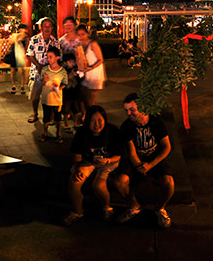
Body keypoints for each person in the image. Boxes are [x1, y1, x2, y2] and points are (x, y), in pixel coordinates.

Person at [112, 93, 174, 228]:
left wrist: (151, 165)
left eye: (132, 110)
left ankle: (160, 209)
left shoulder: (156, 121)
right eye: (126, 110)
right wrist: (140, 168)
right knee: (119, 182)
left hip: (154, 159)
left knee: (169, 183)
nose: (128, 113)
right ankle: (134, 207)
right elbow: (131, 152)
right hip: (137, 161)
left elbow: (167, 146)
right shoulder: (127, 126)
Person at [64, 106, 122, 225]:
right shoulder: (81, 132)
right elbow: (77, 154)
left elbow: (118, 155)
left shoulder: (113, 130)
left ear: (105, 120)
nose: (97, 124)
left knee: (98, 185)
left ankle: (107, 208)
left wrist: (107, 161)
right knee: (75, 181)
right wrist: (77, 169)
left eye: (100, 120)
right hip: (88, 161)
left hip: (109, 161)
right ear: (87, 121)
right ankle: (77, 211)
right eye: (92, 121)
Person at [26, 18, 61, 124]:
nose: (47, 28)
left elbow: (59, 56)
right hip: (36, 72)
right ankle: (34, 113)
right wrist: (39, 66)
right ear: (41, 27)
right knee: (34, 94)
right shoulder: (34, 39)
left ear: (52, 28)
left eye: (49, 26)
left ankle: (50, 116)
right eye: (44, 26)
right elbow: (30, 54)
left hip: (51, 73)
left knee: (50, 95)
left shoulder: (55, 41)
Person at [75, 25, 106, 121]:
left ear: (87, 33)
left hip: (95, 74)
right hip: (86, 74)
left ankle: (91, 117)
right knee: (83, 96)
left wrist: (91, 67)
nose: (81, 37)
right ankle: (86, 114)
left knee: (90, 99)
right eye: (79, 35)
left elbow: (101, 59)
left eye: (83, 34)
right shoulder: (79, 45)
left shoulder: (93, 44)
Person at [38, 49, 68, 142]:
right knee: (46, 115)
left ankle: (58, 134)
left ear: (57, 57)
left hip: (57, 98)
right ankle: (45, 133)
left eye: (51, 57)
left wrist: (58, 88)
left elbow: (65, 83)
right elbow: (42, 83)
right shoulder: (45, 69)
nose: (48, 59)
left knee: (58, 116)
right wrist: (44, 80)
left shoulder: (62, 71)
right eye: (47, 57)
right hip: (46, 97)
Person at [8, 24, 30, 95]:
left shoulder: (25, 37)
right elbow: (12, 41)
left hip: (20, 55)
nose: (24, 30)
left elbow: (25, 45)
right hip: (13, 53)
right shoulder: (15, 35)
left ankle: (22, 86)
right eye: (23, 29)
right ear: (20, 29)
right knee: (13, 70)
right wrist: (17, 36)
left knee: (21, 71)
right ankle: (13, 85)